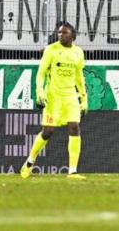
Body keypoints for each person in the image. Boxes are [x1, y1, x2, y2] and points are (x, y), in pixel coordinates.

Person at [21, 22, 88, 180]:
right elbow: (41, 73)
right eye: (59, 33)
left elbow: (79, 77)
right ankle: (30, 162)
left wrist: (84, 98)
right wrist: (40, 92)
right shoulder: (51, 50)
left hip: (70, 96)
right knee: (48, 131)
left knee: (74, 127)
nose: (60, 35)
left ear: (72, 35)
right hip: (54, 97)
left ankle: (72, 171)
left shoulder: (78, 52)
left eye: (64, 33)